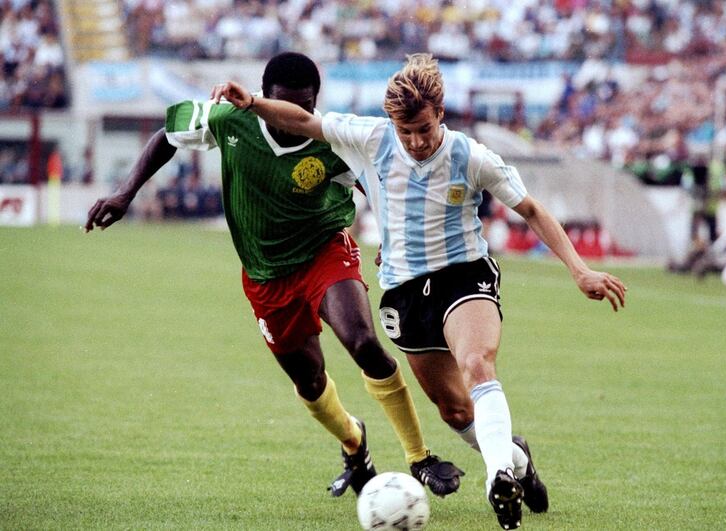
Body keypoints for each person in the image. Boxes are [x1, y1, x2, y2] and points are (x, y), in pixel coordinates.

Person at [213, 52, 628, 530]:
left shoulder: (470, 157)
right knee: (453, 410)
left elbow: (532, 210)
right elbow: (304, 120)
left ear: (440, 116)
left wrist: (579, 271)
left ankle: (499, 480)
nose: (415, 142)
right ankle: (516, 458)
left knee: (477, 363)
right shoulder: (370, 139)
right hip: (407, 293)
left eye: (425, 130)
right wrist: (255, 103)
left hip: (463, 274)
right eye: (406, 131)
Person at [84, 52, 464, 500]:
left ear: (315, 102)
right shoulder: (229, 119)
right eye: (285, 106)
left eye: (303, 109)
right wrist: (125, 193)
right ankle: (353, 442)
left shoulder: (333, 138)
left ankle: (419, 457)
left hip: (324, 249)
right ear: (265, 97)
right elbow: (168, 135)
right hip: (264, 275)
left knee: (363, 342)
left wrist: (390, 239)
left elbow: (380, 185)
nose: (292, 120)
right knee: (310, 380)